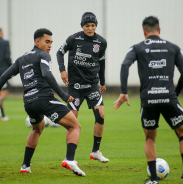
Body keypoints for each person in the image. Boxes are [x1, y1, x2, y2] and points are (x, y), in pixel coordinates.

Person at [0, 28, 86, 177]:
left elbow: (3, 76)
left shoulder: (21, 59)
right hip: (44, 99)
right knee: (75, 125)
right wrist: (63, 95)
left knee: (37, 128)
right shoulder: (43, 55)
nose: (50, 45)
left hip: (29, 102)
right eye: (47, 41)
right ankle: (70, 159)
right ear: (37, 41)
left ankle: (25, 165)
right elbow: (46, 73)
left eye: (51, 42)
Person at [114, 16, 183, 184]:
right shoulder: (173, 47)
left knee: (150, 138)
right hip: (169, 97)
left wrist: (124, 91)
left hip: (148, 99)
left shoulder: (137, 48)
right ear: (159, 30)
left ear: (144, 31)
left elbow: (124, 66)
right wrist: (176, 93)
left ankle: (153, 180)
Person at [56, 12, 109, 163]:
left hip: (92, 85)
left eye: (93, 25)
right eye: (87, 26)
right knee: (72, 121)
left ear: (96, 26)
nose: (90, 28)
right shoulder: (73, 39)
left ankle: (96, 152)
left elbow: (102, 63)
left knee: (101, 115)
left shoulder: (101, 42)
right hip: (75, 87)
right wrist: (62, 70)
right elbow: (59, 52)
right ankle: (69, 157)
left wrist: (103, 82)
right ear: (82, 26)